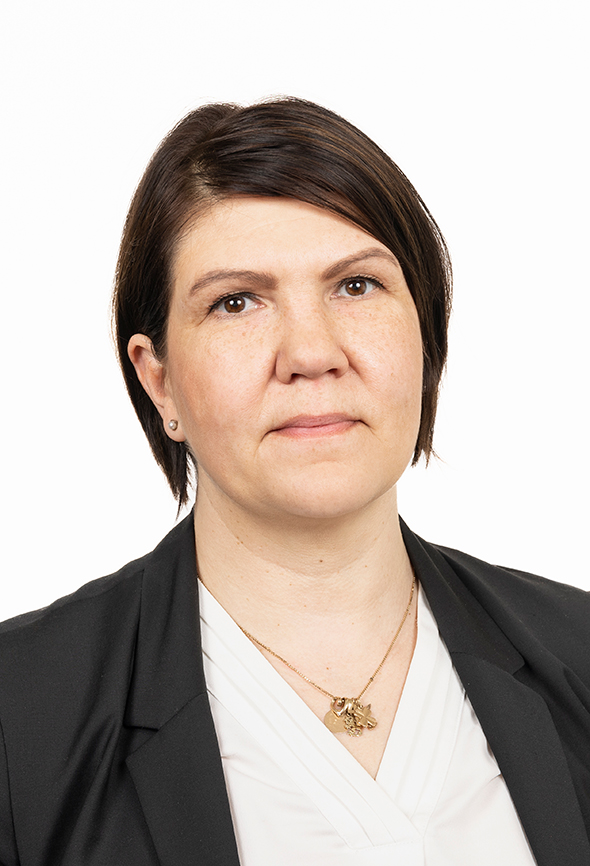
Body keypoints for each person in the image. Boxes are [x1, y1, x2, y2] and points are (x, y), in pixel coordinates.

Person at [0, 98, 588, 866]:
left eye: (357, 286)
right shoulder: (20, 716)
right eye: (236, 302)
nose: (311, 354)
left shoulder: (579, 652)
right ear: (159, 380)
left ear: (426, 333)